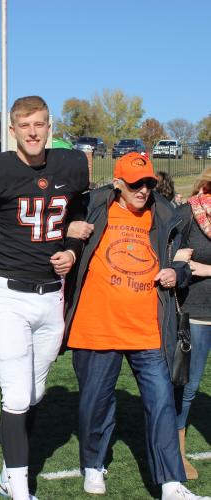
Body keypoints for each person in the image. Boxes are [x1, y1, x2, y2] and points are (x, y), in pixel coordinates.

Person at [0, 95, 89, 500]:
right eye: (25, 125)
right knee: (15, 394)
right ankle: (20, 489)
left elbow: (78, 218)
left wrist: (71, 250)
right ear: (12, 130)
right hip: (8, 294)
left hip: (51, 296)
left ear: (49, 127)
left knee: (34, 394)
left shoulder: (70, 166)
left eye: (39, 124)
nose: (32, 132)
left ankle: (8, 474)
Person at [64, 152, 208, 500]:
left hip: (149, 329)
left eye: (148, 183)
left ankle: (171, 483)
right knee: (96, 404)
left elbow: (183, 260)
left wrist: (176, 272)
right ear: (118, 183)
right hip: (97, 327)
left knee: (162, 403)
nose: (143, 190)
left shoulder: (166, 213)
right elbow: (53, 233)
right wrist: (68, 231)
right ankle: (93, 464)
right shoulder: (91, 207)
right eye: (134, 184)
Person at [173, 167, 211, 481]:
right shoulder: (189, 213)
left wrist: (206, 268)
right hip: (197, 311)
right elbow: (173, 258)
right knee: (188, 386)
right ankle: (178, 453)